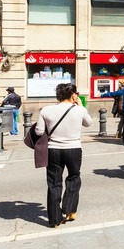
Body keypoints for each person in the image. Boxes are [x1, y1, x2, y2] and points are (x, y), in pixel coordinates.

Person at [34, 83, 92, 227]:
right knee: (73, 177)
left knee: (54, 183)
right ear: (73, 94)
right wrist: (80, 105)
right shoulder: (79, 110)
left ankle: (54, 220)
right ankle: (69, 209)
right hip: (73, 149)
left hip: (53, 149)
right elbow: (89, 123)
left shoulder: (46, 110)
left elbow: (39, 132)